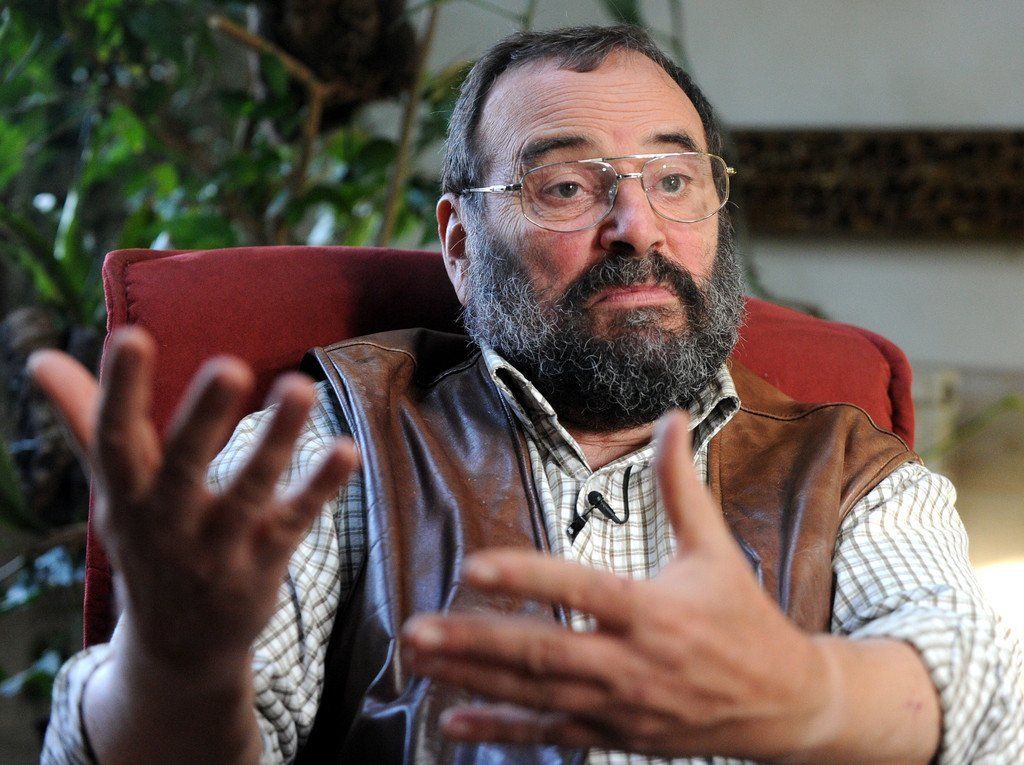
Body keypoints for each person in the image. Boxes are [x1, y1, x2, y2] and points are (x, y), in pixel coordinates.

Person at [36, 24, 1022, 765]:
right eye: (566, 186)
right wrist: (175, 671)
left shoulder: (847, 473)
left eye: (673, 179)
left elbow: (990, 693)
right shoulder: (337, 438)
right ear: (461, 245)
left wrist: (807, 695)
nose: (637, 225)